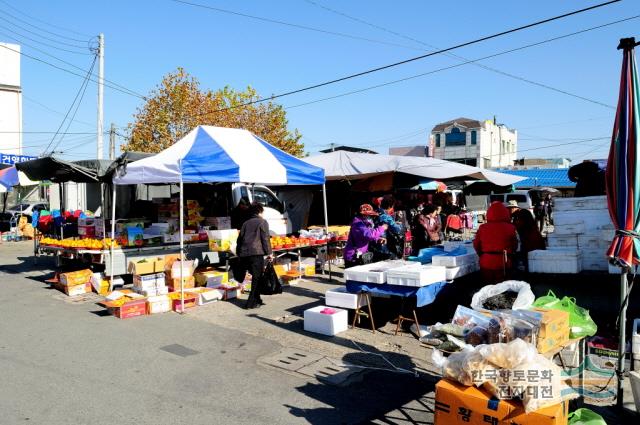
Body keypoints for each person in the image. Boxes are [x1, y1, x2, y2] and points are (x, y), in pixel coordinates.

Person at [236, 202, 273, 309]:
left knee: (255, 276)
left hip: (244, 253)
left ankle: (257, 299)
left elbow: (239, 240)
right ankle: (250, 302)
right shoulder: (262, 222)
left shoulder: (245, 223)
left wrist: (239, 253)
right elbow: (265, 239)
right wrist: (269, 253)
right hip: (256, 253)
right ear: (259, 211)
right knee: (257, 278)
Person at [473, 201, 518, 284]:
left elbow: (476, 244)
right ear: (505, 213)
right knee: (503, 289)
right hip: (503, 261)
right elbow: (515, 245)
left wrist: (482, 255)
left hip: (486, 261)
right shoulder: (510, 227)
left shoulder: (482, 227)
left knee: (487, 288)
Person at [344, 204, 388, 269]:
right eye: (369, 216)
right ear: (363, 215)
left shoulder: (365, 224)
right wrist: (381, 228)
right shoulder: (358, 224)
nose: (370, 218)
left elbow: (367, 236)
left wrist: (378, 239)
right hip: (353, 256)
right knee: (354, 277)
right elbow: (369, 235)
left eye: (371, 216)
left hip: (361, 255)